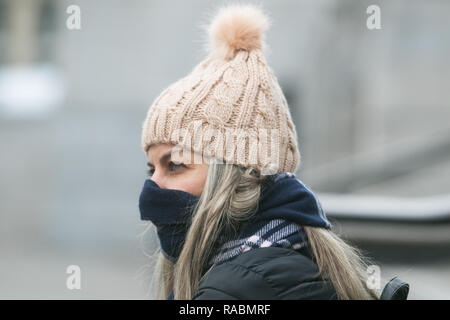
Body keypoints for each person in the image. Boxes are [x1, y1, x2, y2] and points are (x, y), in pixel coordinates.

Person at [138, 3, 381, 300]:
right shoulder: (295, 257)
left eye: (175, 164)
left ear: (236, 175)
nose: (152, 187)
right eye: (152, 169)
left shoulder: (233, 291)